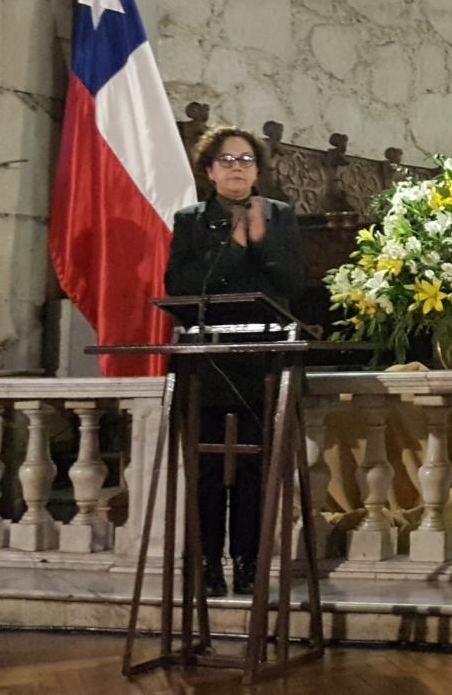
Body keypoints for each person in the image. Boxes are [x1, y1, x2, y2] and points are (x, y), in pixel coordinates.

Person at [164, 125, 304, 597]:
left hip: (260, 360)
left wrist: (261, 241)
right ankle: (205, 565)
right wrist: (238, 247)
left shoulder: (280, 216)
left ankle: (248, 563)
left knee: (254, 468)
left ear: (258, 171)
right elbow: (184, 284)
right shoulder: (190, 221)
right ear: (209, 170)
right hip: (206, 359)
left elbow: (291, 281)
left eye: (245, 160)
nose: (237, 168)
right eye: (227, 160)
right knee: (204, 469)